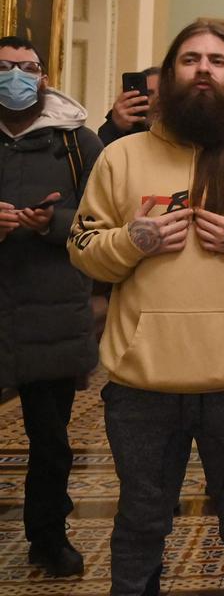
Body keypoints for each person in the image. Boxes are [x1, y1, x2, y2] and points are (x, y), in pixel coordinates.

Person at [68, 20, 224, 596]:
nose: (203, 69)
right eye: (189, 60)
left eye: (217, 60)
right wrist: (133, 240)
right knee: (139, 522)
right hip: (143, 386)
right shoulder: (121, 158)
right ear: (167, 77)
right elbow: (83, 249)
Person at [0, 36, 103, 577]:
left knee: (51, 441)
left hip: (53, 310)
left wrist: (53, 225)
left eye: (27, 67)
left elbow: (100, 216)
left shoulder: (78, 141)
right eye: (5, 68)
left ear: (43, 75)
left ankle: (47, 537)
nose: (16, 77)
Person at [100, 67, 160, 146]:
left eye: (164, 94)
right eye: (148, 94)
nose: (157, 101)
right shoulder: (118, 130)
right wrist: (115, 126)